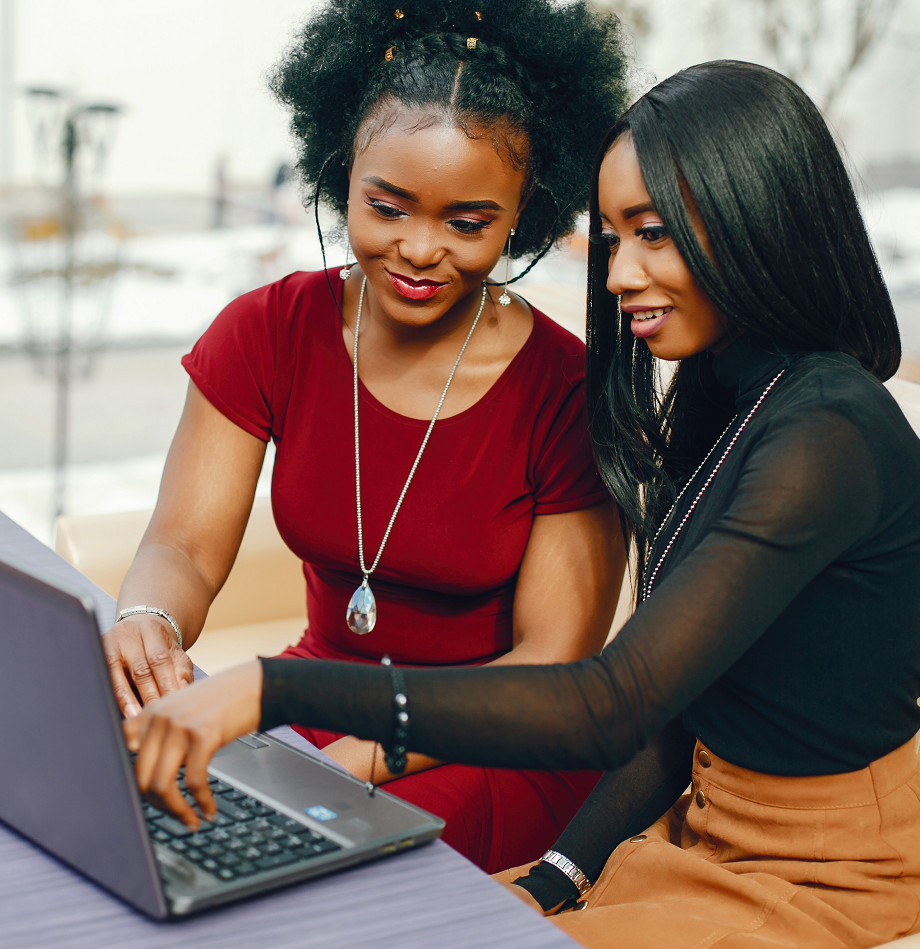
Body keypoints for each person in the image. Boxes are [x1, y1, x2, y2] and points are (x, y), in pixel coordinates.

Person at [124, 60, 920, 947]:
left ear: (756, 216)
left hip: (828, 862)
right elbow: (680, 708)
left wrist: (270, 687)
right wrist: (554, 878)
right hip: (706, 825)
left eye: (652, 234)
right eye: (614, 238)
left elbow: (611, 700)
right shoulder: (728, 397)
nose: (619, 276)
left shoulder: (829, 432)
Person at [104, 0, 629, 874]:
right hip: (310, 701)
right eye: (387, 206)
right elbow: (184, 548)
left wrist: (353, 762)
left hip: (485, 746)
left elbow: (551, 666)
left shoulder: (565, 389)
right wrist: (149, 620)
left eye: (469, 224)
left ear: (522, 215)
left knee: (293, 862)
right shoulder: (268, 330)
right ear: (341, 170)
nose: (420, 249)